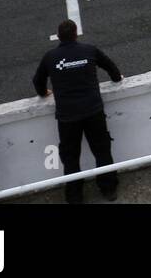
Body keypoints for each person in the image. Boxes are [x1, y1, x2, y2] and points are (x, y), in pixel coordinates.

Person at [33, 20, 124, 203]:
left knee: (71, 157)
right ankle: (108, 189)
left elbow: (38, 82)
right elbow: (112, 68)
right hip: (93, 111)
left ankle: (74, 196)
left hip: (67, 117)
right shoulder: (89, 50)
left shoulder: (50, 57)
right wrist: (116, 78)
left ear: (58, 37)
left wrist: (44, 92)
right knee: (102, 150)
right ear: (76, 34)